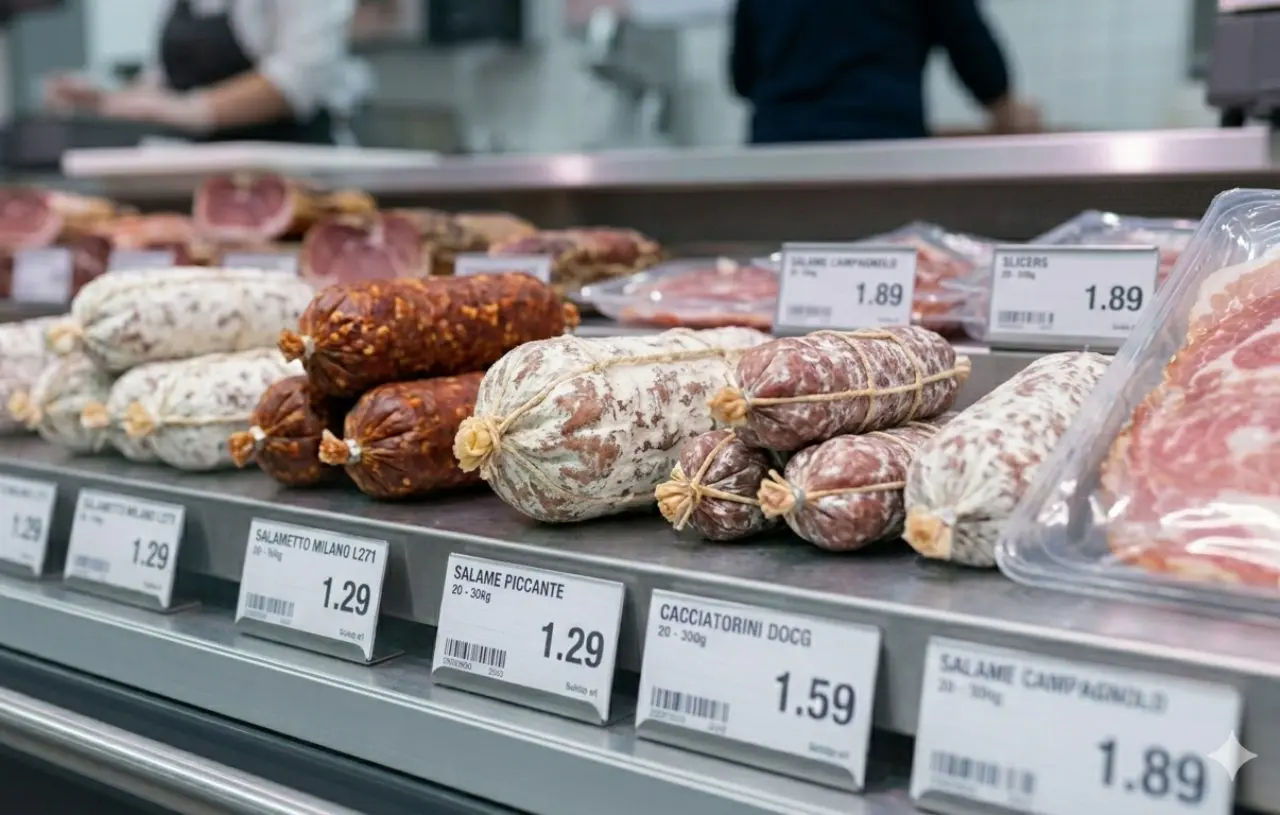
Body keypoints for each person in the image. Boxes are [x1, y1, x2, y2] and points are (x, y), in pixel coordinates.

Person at [45, 0, 370, 145]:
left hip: (295, 164)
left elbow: (296, 81)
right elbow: (162, 81)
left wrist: (191, 110)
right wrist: (103, 98)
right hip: (198, 171)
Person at [729, 0, 1042, 145]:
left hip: (780, 152)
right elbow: (969, 43)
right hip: (880, 147)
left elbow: (741, 78)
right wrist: (1002, 104)